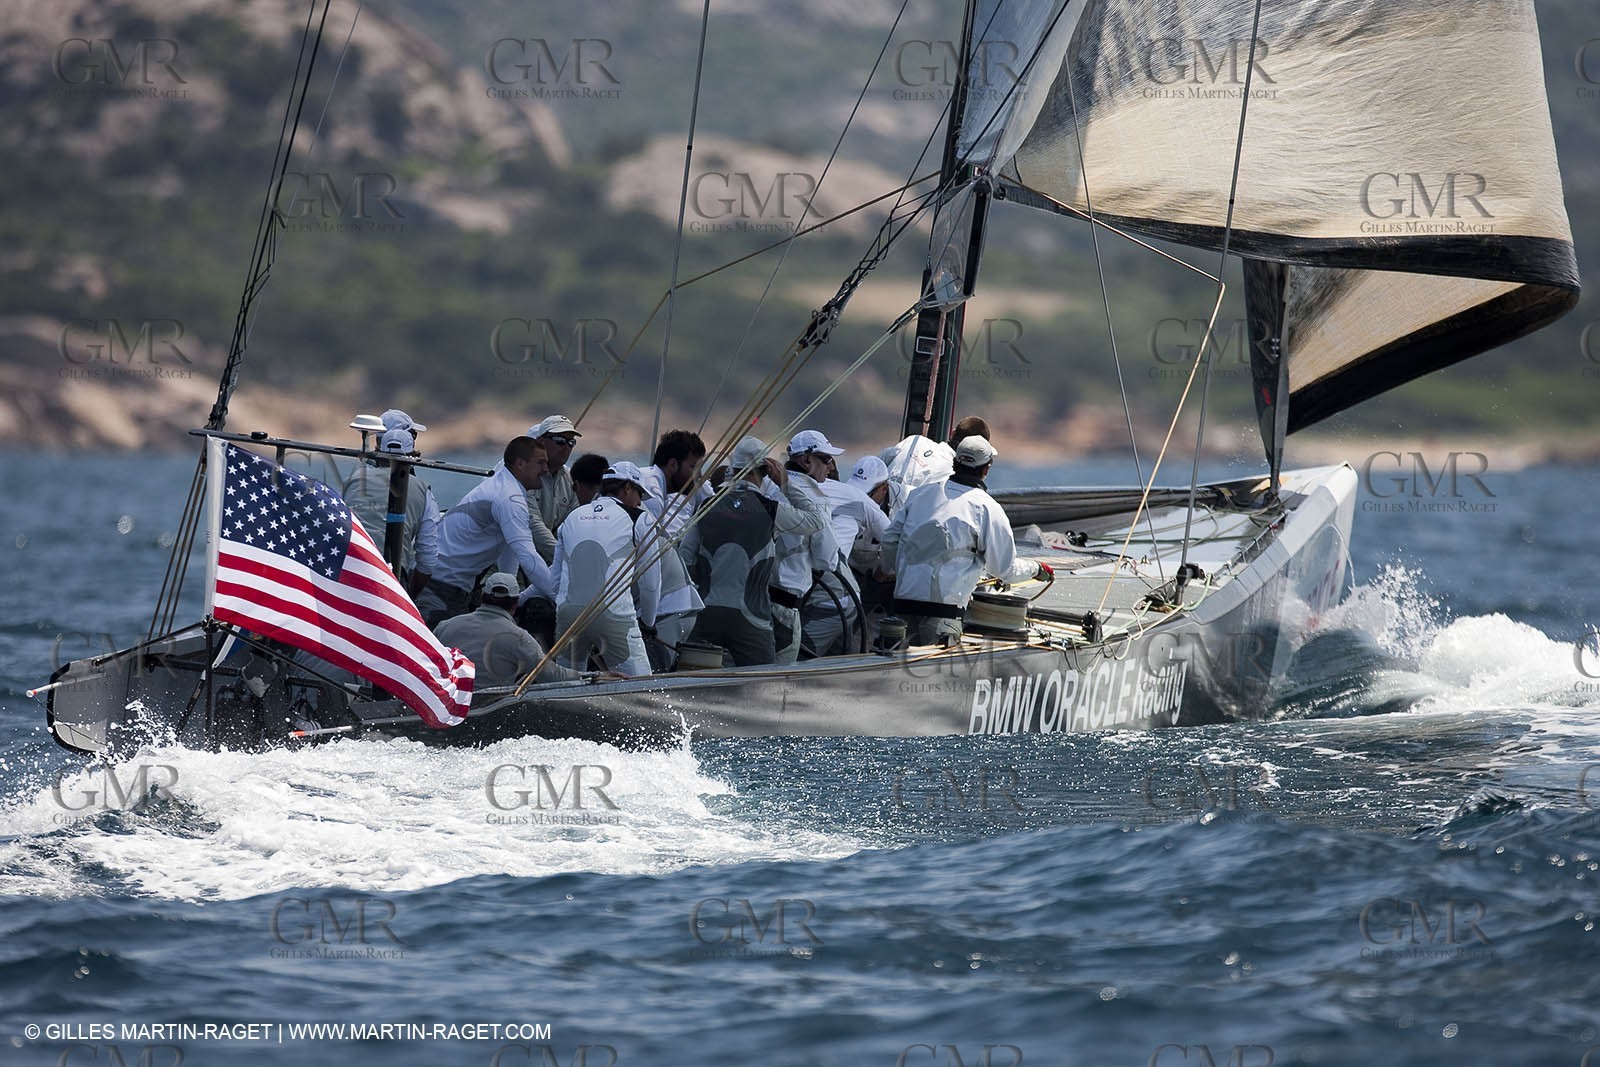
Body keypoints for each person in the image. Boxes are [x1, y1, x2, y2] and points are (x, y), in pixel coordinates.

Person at [881, 435, 1050, 646]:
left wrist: (888, 570)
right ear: (986, 469)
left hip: (901, 609)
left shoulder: (920, 494)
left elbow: (889, 539)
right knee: (934, 676)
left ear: (955, 462)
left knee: (896, 668)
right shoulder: (988, 508)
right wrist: (1036, 569)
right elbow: (1005, 569)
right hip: (944, 616)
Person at [680, 435, 826, 666]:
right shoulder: (769, 508)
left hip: (706, 613)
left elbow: (685, 557)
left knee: (695, 679)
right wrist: (785, 483)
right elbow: (816, 521)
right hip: (751, 618)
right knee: (763, 686)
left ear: (733, 467)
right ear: (767, 471)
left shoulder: (705, 506)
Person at [419, 436, 555, 626]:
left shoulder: (504, 485)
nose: (546, 470)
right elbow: (528, 556)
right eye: (540, 463)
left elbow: (511, 549)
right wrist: (559, 598)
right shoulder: (510, 497)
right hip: (442, 586)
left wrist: (511, 596)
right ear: (520, 464)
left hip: (451, 583)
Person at [553, 460, 660, 677]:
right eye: (639, 494)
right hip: (613, 616)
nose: (640, 502)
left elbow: (555, 579)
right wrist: (648, 623)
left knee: (566, 689)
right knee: (641, 689)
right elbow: (650, 584)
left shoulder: (571, 518)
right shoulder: (641, 519)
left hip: (568, 617)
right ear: (627, 488)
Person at [784, 430, 860, 658]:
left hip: (768, 596)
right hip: (813, 601)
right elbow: (825, 559)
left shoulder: (769, 489)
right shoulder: (816, 498)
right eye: (826, 459)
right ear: (806, 460)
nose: (830, 466)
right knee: (796, 664)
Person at [434, 572, 582, 688]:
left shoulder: (444, 626)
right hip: (489, 712)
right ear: (516, 603)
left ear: (482, 596)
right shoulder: (519, 638)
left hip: (448, 710)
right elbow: (553, 676)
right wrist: (591, 676)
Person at [340, 427, 441, 596]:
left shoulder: (352, 481)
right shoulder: (424, 492)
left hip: (348, 566)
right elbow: (428, 559)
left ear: (377, 451)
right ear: (414, 456)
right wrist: (409, 597)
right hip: (392, 577)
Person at [641, 429, 710, 537]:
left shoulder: (651, 479)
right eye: (694, 467)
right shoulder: (652, 493)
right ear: (673, 464)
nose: (699, 476)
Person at [528, 414, 582, 543]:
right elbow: (533, 525)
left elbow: (571, 525)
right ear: (541, 441)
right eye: (559, 440)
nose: (566, 447)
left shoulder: (571, 480)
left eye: (571, 442)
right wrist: (560, 559)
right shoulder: (524, 475)